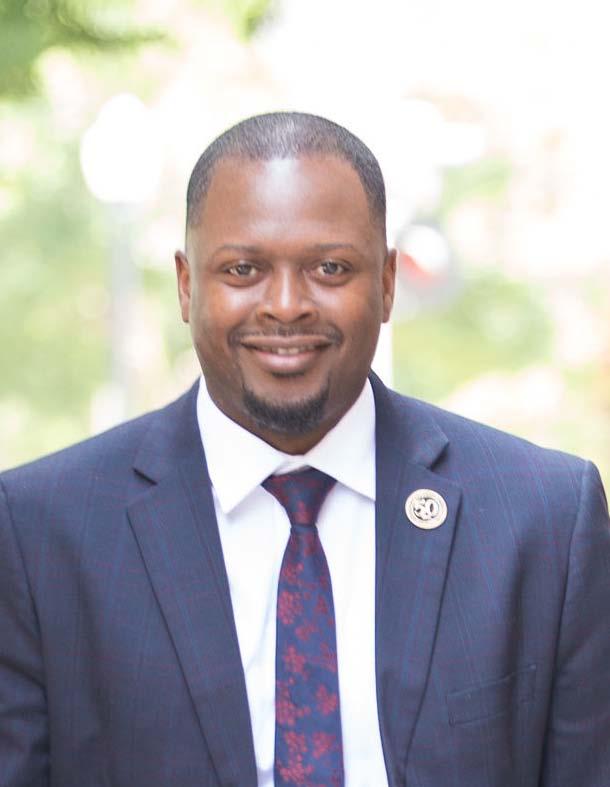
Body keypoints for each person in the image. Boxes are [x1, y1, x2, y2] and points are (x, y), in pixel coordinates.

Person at [0, 112, 609, 787]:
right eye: (243, 269)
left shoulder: (544, 523)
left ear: (386, 283)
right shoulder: (39, 533)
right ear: (186, 285)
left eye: (330, 268)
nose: (287, 305)